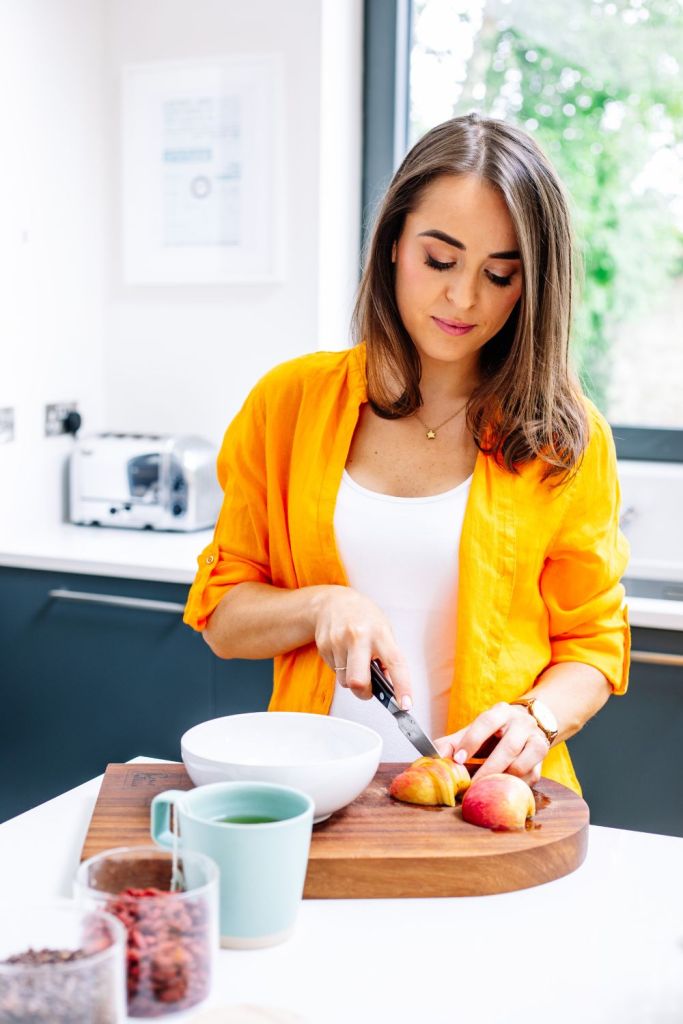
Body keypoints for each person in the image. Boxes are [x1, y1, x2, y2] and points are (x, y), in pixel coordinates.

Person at [183, 113, 630, 795]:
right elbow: (222, 618)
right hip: (312, 795)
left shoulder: (562, 439)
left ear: (531, 285)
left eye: (500, 275)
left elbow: (594, 643)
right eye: (439, 260)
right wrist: (321, 606)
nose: (463, 298)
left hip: (488, 799)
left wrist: (536, 719)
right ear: (393, 243)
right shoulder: (288, 403)